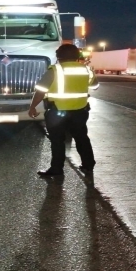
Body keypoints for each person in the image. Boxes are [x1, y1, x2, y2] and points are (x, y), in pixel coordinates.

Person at [28, 44, 99, 177]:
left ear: (58, 56)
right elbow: (95, 86)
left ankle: (57, 169)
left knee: (57, 141)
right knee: (81, 138)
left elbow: (40, 91)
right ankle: (88, 165)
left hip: (57, 112)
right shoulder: (87, 70)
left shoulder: (54, 70)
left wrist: (32, 107)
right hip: (80, 111)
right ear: (78, 56)